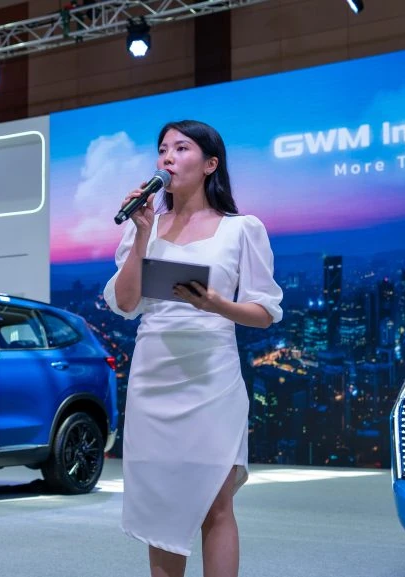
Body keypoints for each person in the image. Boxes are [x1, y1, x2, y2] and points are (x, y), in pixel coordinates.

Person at [103, 120, 283, 577]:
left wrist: (219, 304)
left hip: (212, 376)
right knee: (159, 509)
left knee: (215, 503)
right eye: (162, 149)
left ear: (210, 164)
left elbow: (264, 312)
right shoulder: (145, 225)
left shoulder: (242, 229)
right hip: (154, 375)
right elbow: (126, 303)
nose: (167, 157)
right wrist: (142, 234)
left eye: (181, 148)